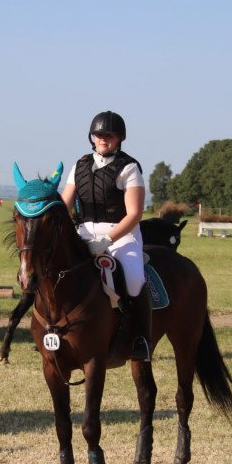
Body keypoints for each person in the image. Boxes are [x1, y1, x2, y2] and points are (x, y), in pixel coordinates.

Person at [61, 111, 152, 362]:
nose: (103, 139)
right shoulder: (79, 165)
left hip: (121, 234)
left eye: (109, 135)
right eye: (99, 134)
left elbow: (134, 214)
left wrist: (107, 241)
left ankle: (140, 339)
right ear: (92, 136)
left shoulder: (129, 168)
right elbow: (64, 205)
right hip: (83, 232)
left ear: (119, 137)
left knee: (133, 279)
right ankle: (52, 331)